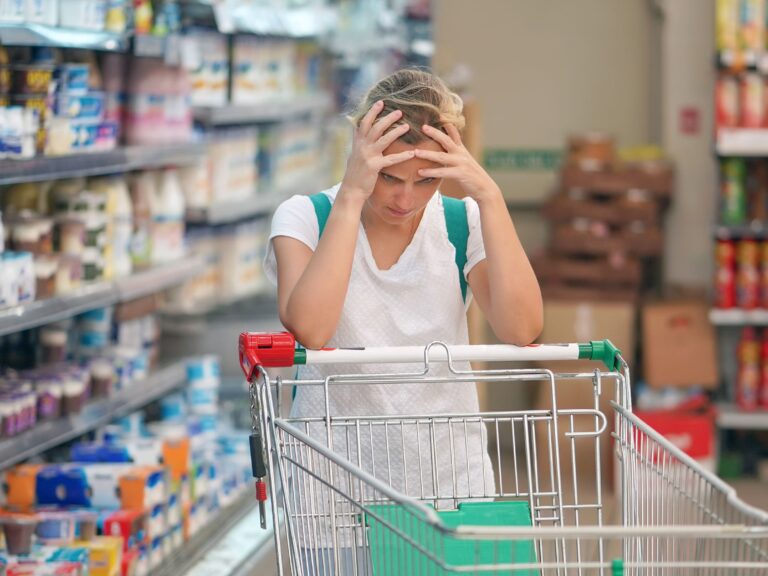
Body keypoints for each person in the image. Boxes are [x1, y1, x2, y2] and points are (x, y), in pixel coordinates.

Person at [263, 68, 543, 575]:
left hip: (450, 481)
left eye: (427, 180)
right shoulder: (306, 217)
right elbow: (312, 329)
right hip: (335, 489)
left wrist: (489, 197)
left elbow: (521, 328)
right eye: (389, 177)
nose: (405, 199)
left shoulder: (462, 223)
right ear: (361, 150)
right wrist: (351, 195)